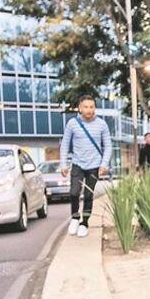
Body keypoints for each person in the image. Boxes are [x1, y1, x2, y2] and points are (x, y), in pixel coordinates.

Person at [60, 95, 112, 238]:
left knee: (89, 195)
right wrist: (63, 164)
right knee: (74, 192)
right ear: (80, 108)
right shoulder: (72, 123)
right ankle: (75, 218)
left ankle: (84, 223)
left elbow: (108, 146)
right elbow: (65, 144)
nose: (89, 110)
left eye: (92, 107)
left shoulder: (102, 125)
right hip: (77, 164)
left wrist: (104, 164)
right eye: (86, 107)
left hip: (94, 166)